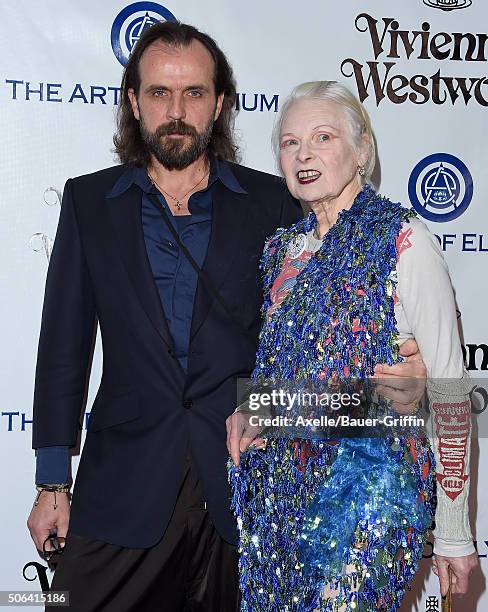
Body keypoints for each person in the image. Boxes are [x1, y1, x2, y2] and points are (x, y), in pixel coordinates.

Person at [27, 21, 425, 612]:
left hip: (248, 480)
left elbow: (332, 315)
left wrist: (400, 371)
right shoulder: (89, 202)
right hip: (124, 482)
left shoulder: (275, 202)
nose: (176, 110)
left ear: (219, 106)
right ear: (134, 103)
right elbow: (64, 346)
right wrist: (52, 479)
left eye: (194, 94)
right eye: (159, 93)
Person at [227, 81, 479, 611]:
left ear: (362, 149)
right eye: (290, 143)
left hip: (369, 495)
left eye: (323, 137)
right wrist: (254, 407)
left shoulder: (405, 240)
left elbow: (452, 394)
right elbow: (287, 371)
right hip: (280, 494)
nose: (304, 154)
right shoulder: (280, 252)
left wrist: (455, 535)